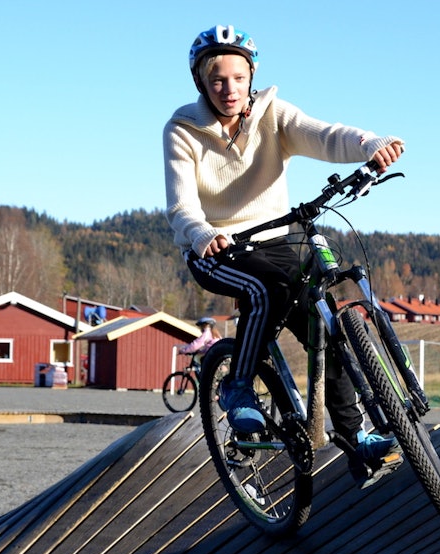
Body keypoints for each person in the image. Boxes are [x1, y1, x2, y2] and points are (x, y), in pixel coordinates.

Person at [163, 24, 403, 466]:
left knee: (324, 329)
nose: (229, 89)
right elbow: (180, 206)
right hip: (217, 248)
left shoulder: (272, 114)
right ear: (201, 82)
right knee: (261, 292)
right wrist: (202, 234)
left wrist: (373, 143)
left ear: (251, 76)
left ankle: (356, 440)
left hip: (278, 241)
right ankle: (237, 386)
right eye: (217, 80)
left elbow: (327, 135)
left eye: (237, 78)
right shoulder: (183, 129)